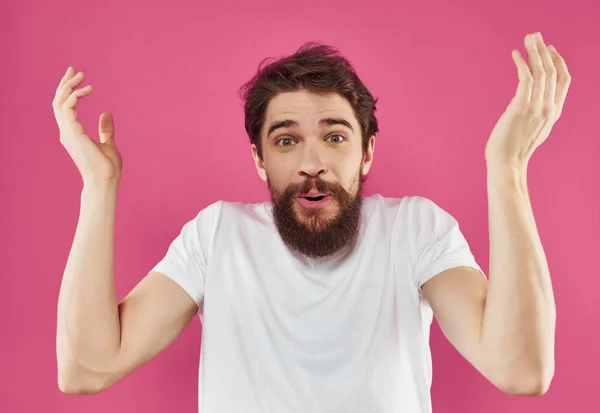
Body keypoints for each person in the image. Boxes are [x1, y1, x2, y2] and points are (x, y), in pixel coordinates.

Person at [54, 36, 559, 413]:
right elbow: (87, 367)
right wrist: (99, 186)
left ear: (367, 153)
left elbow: (520, 369)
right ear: (259, 159)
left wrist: (508, 166)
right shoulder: (217, 237)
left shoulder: (416, 231)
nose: (311, 163)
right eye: (286, 140)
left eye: (335, 137)